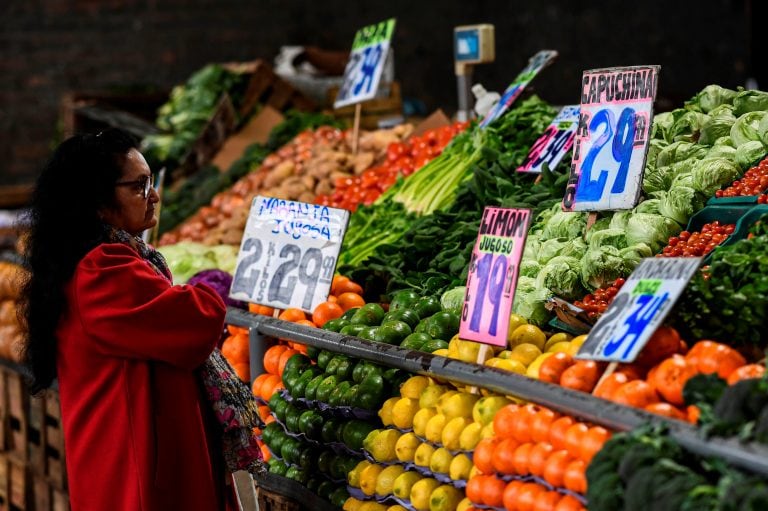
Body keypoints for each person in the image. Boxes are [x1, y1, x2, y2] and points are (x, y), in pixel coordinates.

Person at [19, 128, 231, 510]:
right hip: (134, 459)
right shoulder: (103, 269)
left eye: (150, 182)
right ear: (97, 201)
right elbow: (194, 322)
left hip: (123, 450)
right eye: (139, 186)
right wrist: (209, 287)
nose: (154, 195)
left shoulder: (91, 258)